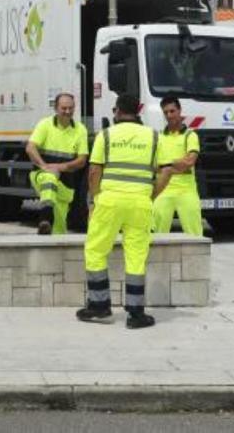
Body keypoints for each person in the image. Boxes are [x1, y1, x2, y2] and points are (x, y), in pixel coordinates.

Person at [77, 93, 158, 329]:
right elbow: (164, 171)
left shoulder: (106, 135)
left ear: (118, 111)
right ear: (137, 111)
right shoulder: (153, 136)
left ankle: (100, 306)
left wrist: (94, 201)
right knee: (135, 255)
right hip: (140, 203)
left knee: (95, 250)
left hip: (109, 201)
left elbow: (94, 171)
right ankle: (136, 314)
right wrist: (150, 195)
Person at [25, 93, 88, 234]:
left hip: (66, 184)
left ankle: (51, 239)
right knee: (49, 179)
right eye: (64, 108)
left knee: (59, 230)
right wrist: (44, 167)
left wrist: (60, 167)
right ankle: (45, 218)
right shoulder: (45, 124)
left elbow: (82, 160)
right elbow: (30, 148)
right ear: (55, 108)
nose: (67, 112)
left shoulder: (80, 129)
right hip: (41, 174)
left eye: (71, 108)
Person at [152, 96, 203, 236]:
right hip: (162, 190)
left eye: (172, 111)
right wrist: (178, 163)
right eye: (166, 112)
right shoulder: (158, 137)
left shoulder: (190, 135)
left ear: (180, 111)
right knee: (157, 234)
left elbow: (189, 162)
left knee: (195, 234)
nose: (169, 115)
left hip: (186, 191)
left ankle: (196, 258)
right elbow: (153, 166)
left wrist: (166, 165)